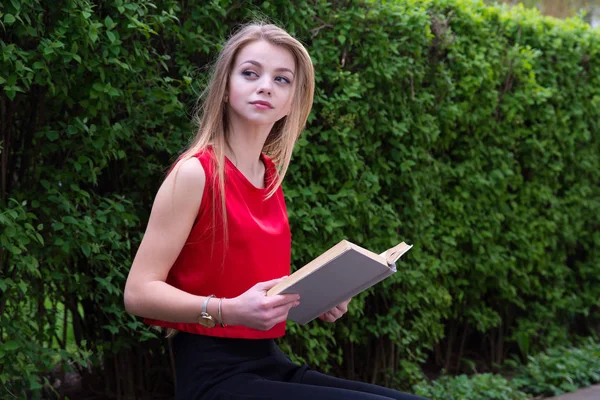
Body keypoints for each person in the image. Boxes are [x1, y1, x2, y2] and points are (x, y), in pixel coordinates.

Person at [124, 22, 426, 400]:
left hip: (268, 363)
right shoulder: (195, 172)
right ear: (226, 86)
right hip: (213, 377)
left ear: (292, 101)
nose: (265, 85)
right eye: (250, 73)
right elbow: (137, 293)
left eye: (281, 80)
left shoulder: (268, 176)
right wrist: (229, 311)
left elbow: (259, 289)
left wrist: (321, 295)